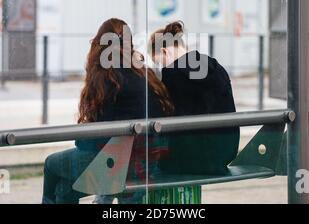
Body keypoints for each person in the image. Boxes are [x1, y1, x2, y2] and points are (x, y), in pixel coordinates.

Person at [42, 18, 174, 204]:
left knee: (50, 164)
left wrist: (80, 138)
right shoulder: (144, 73)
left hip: (115, 164)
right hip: (146, 163)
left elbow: (95, 140)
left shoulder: (106, 75)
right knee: (63, 188)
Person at [148, 21, 240, 177]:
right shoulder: (216, 66)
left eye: (158, 62)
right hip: (226, 153)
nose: (160, 68)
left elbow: (170, 121)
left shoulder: (172, 74)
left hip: (194, 160)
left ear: (164, 51)